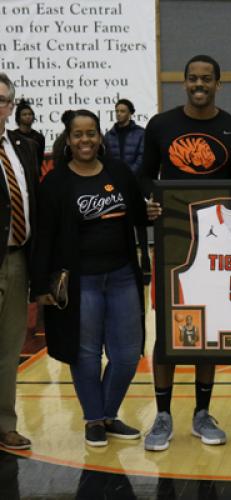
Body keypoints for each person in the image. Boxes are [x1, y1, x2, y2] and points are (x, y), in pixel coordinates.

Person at [32, 109, 161, 447]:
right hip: (80, 281)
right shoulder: (56, 182)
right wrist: (40, 284)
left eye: (91, 133)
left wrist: (151, 212)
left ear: (99, 137)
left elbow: (137, 214)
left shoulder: (118, 172)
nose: (85, 140)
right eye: (78, 134)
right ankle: (94, 419)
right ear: (69, 140)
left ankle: (107, 413)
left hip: (122, 276)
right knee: (85, 354)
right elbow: (44, 236)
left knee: (128, 354)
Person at [140, 54, 231, 451]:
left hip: (217, 244)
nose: (198, 84)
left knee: (209, 327)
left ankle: (202, 412)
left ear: (219, 83)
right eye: (192, 78)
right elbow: (145, 175)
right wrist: (150, 201)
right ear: (183, 83)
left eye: (206, 79)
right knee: (168, 327)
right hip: (172, 238)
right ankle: (163, 414)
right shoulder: (161, 125)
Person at [0, 73, 38, 450]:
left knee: (10, 348)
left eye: (1, 100)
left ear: (11, 106)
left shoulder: (20, 146)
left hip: (17, 258)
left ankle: (4, 423)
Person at [104, 99, 150, 282]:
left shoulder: (140, 133)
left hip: (135, 183)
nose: (119, 114)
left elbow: (142, 156)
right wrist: (118, 176)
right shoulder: (109, 135)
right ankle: (128, 263)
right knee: (121, 223)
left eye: (122, 110)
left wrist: (128, 175)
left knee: (140, 223)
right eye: (117, 111)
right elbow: (108, 158)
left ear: (130, 112)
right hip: (116, 185)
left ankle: (145, 258)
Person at [13, 99, 45, 171]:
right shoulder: (13, 136)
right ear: (18, 117)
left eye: (30, 114)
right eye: (24, 114)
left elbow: (40, 158)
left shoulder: (39, 137)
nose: (28, 116)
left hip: (34, 174)